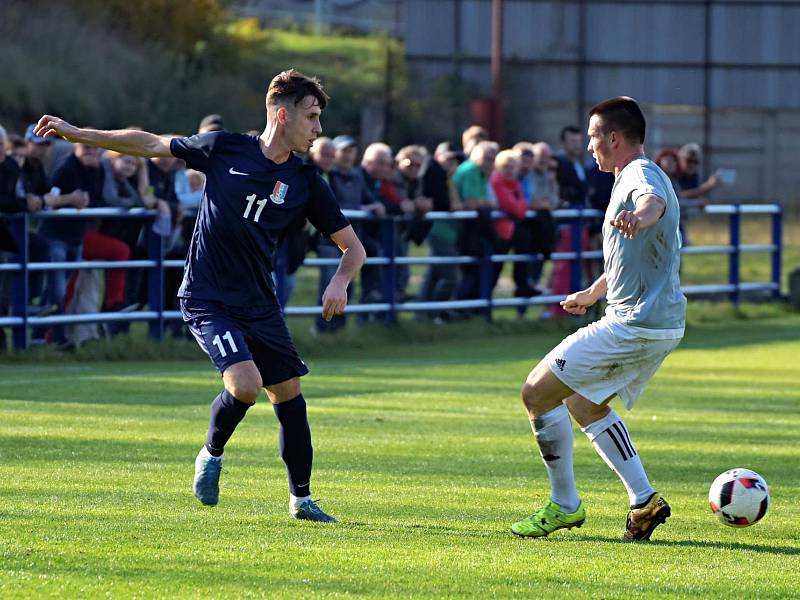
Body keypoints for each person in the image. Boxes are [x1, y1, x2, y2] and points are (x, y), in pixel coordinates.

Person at [34, 69, 366, 522]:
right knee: (245, 386)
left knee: (288, 392)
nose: (318, 128)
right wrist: (78, 133)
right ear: (282, 114)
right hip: (207, 297)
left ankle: (301, 500)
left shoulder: (306, 179)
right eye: (311, 117)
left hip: (259, 303)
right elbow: (150, 144)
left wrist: (339, 281)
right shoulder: (224, 148)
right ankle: (210, 455)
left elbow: (354, 247)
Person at [511, 97, 686, 542]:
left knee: (536, 393)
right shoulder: (632, 175)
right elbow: (636, 253)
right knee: (582, 401)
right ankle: (644, 501)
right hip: (655, 321)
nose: (590, 147)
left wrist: (640, 216)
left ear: (613, 137)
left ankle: (564, 505)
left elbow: (651, 205)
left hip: (635, 324)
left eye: (593, 137)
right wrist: (594, 291)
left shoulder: (641, 176)